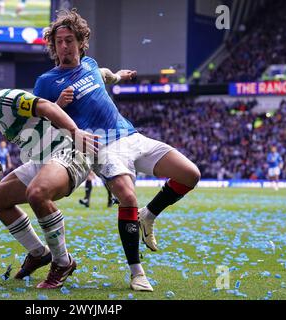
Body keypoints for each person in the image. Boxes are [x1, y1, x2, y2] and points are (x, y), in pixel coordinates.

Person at [34, 9, 201, 291]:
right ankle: (137, 272)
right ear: (53, 46)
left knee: (190, 175)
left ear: (81, 41)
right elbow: (39, 127)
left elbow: (105, 76)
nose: (64, 46)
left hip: (131, 135)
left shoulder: (90, 65)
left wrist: (120, 76)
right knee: (126, 196)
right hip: (102, 146)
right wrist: (59, 105)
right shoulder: (47, 82)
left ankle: (149, 215)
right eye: (59, 41)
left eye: (69, 40)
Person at [0, 75, 99, 289]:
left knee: (37, 193)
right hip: (42, 160)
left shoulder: (6, 100)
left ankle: (63, 262)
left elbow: (45, 106)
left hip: (70, 153)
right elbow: (41, 119)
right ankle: (39, 254)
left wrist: (75, 132)